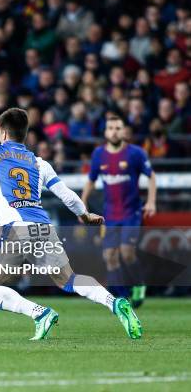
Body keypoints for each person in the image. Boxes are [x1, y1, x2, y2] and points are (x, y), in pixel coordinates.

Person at [0, 108, 142, 340]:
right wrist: (85, 214)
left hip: (15, 229)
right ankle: (114, 302)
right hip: (44, 228)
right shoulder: (39, 163)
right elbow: (67, 195)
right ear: (25, 134)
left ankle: (39, 313)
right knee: (69, 280)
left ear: (3, 132)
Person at [81, 116, 157, 308]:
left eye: (118, 128)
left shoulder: (136, 153)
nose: (114, 131)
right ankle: (123, 298)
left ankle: (139, 284)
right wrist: (82, 204)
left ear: (123, 131)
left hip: (131, 212)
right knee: (109, 257)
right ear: (105, 132)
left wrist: (151, 201)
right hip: (110, 214)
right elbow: (91, 180)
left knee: (127, 253)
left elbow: (151, 176)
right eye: (110, 128)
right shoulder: (99, 154)